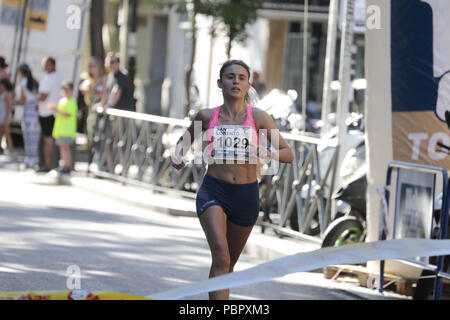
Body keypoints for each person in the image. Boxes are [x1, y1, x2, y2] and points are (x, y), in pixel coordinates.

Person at [171, 60, 294, 300]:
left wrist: (268, 152)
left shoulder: (259, 118)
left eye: (241, 77)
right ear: (220, 83)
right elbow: (180, 147)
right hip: (214, 192)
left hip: (246, 196)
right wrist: (178, 159)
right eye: (230, 77)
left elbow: (288, 154)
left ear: (249, 85)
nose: (235, 81)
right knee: (222, 257)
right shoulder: (206, 116)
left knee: (227, 266)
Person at [37, 57, 63, 172]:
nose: (44, 66)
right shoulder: (59, 77)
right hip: (55, 113)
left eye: (47, 64)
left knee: (48, 141)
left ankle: (48, 166)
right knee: (52, 140)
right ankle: (52, 165)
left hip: (47, 113)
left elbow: (43, 96)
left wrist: (35, 99)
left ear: (53, 65)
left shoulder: (49, 79)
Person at [48, 80, 78, 175]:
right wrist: (55, 111)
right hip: (60, 130)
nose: (66, 91)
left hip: (67, 130)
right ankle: (64, 165)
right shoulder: (62, 101)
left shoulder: (72, 101)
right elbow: (58, 115)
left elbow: (68, 114)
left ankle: (68, 166)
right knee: (62, 148)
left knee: (66, 148)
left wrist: (57, 110)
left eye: (68, 90)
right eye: (64, 89)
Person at [79, 57, 107, 148]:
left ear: (99, 67)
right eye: (90, 66)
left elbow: (104, 95)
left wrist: (92, 89)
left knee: (101, 134)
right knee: (91, 132)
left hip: (101, 110)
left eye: (94, 66)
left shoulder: (104, 79)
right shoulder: (88, 80)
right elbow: (83, 89)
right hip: (92, 109)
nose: (92, 68)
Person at [16, 64, 40, 168]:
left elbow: (22, 99)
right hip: (36, 109)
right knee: (35, 136)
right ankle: (34, 159)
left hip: (28, 109)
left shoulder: (23, 83)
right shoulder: (35, 81)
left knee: (27, 136)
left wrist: (15, 100)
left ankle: (29, 159)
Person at [0, 79, 14, 155]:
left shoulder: (6, 94)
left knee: (7, 134)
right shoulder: (2, 93)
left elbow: (8, 108)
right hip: (1, 116)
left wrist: (6, 119)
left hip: (4, 117)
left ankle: (11, 151)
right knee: (1, 133)